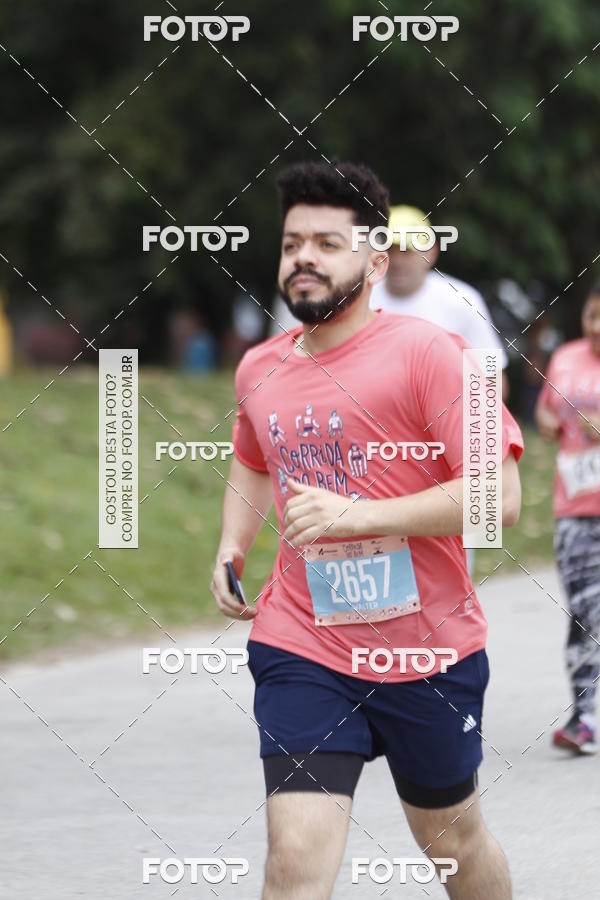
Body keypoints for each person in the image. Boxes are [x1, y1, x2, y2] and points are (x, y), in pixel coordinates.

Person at [211, 159, 523, 900]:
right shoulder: (259, 368)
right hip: (303, 643)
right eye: (291, 244)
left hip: (428, 652)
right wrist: (233, 545)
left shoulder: (431, 354)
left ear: (375, 260)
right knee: (293, 860)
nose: (304, 259)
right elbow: (253, 457)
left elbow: (501, 498)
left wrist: (362, 516)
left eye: (326, 242)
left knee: (453, 841)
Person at [535, 283, 600, 755]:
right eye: (592, 315)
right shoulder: (565, 357)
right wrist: (547, 421)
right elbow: (544, 409)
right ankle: (585, 717)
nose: (597, 326)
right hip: (574, 509)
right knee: (584, 612)